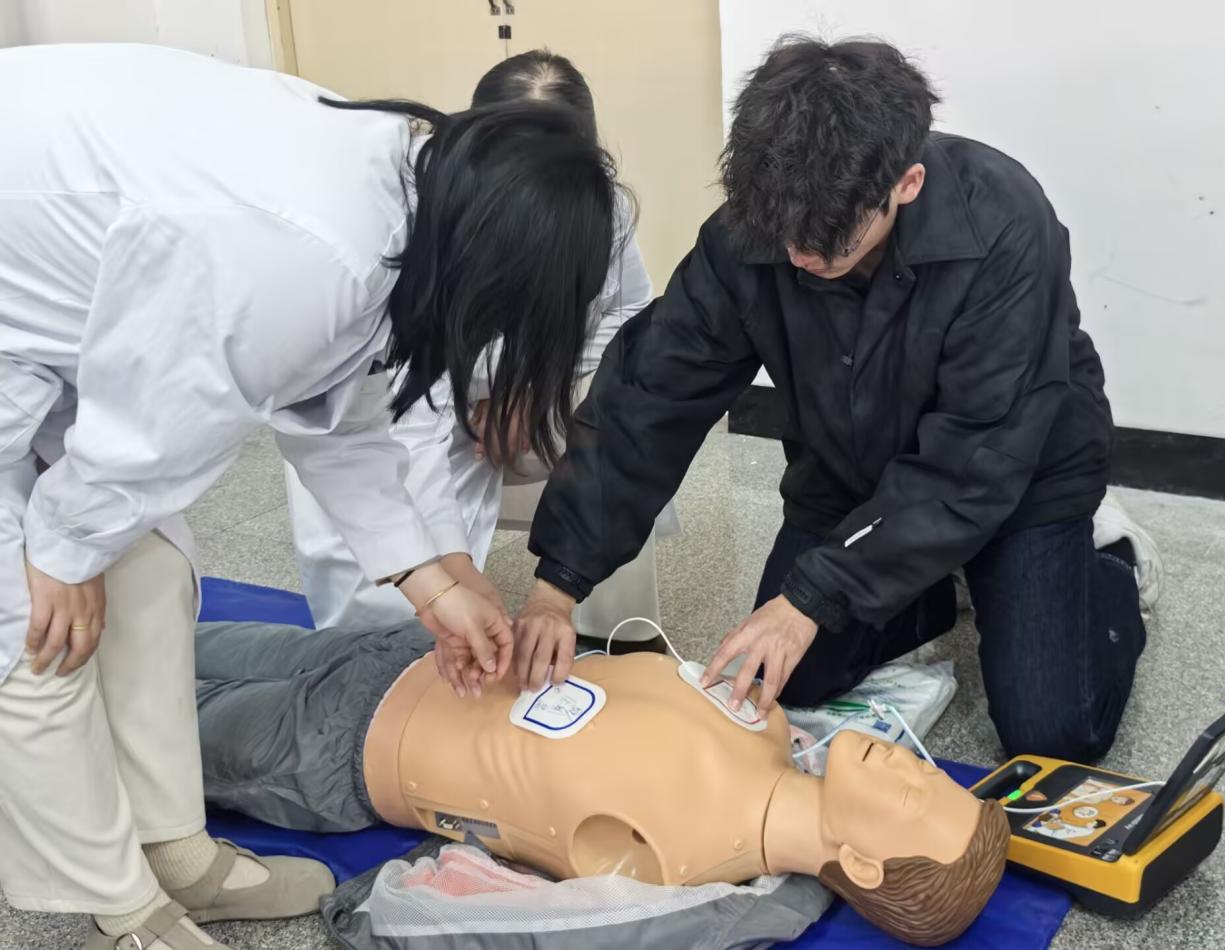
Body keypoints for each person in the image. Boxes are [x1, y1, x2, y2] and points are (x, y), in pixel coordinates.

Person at [0, 43, 618, 949]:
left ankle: (172, 849)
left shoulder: (406, 205)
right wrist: (62, 552)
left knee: (150, 574)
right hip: (32, 295)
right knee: (33, 631)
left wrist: (435, 586)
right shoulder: (306, 248)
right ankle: (117, 907)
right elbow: (159, 411)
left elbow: (338, 420)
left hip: (63, 303)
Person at [514, 37, 1150, 763]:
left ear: (906, 184)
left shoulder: (1004, 222)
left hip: (1019, 473)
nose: (800, 257)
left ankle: (1110, 566)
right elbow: (650, 396)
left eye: (829, 243)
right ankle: (930, 589)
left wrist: (811, 600)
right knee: (783, 680)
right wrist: (558, 582)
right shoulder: (760, 225)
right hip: (851, 472)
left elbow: (977, 458)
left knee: (1051, 732)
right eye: (784, 238)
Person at [193, 618, 1010, 946]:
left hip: (335, 750)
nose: (912, 762)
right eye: (928, 769)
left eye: (914, 793)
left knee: (124, 710)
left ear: (860, 863)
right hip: (414, 648)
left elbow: (518, 916)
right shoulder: (766, 724)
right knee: (159, 618)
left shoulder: (674, 864)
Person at [284, 50, 668, 652]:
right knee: (387, 602)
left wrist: (530, 388)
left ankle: (615, 638)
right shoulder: (401, 227)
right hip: (374, 414)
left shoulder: (598, 209)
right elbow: (394, 424)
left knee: (616, 451)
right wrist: (451, 573)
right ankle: (375, 667)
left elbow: (628, 314)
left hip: (511, 402)